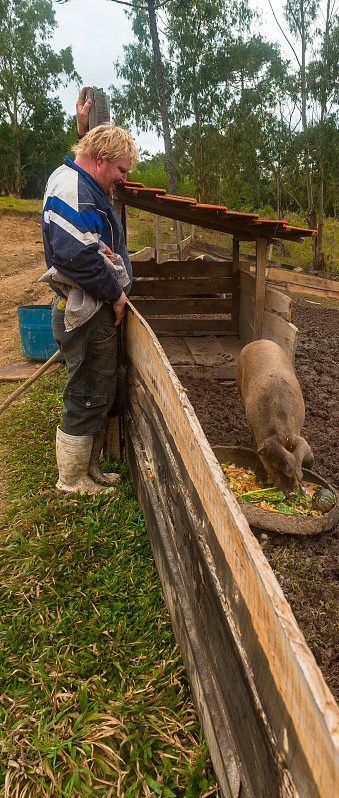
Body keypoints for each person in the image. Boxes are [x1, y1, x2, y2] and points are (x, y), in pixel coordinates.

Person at [42, 89, 138, 495]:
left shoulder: (81, 184)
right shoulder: (73, 188)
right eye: (121, 169)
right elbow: (78, 257)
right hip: (85, 308)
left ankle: (89, 469)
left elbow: (86, 243)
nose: (124, 179)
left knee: (97, 389)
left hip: (91, 306)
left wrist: (104, 250)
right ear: (101, 159)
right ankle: (71, 480)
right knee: (86, 392)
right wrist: (116, 295)